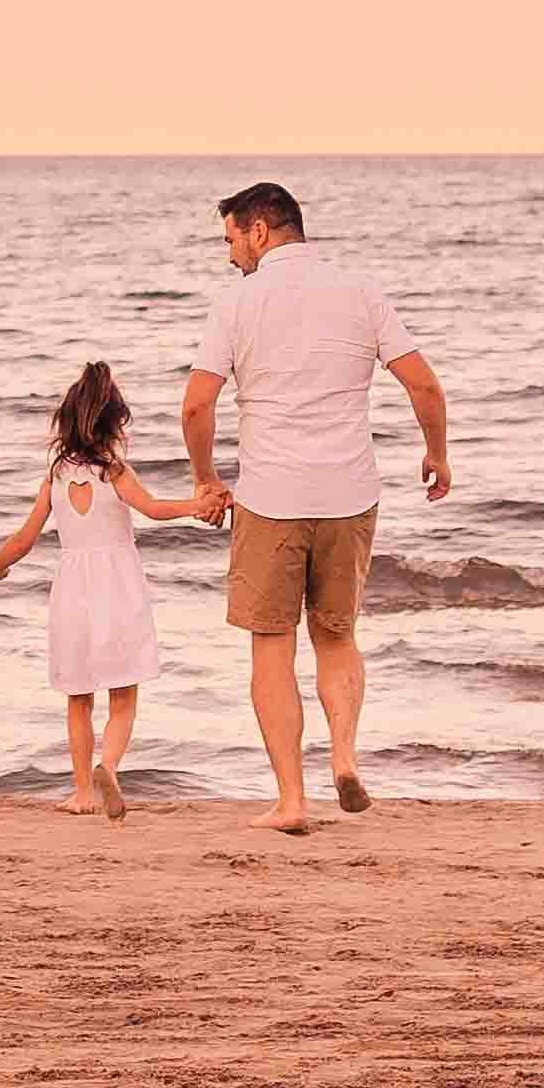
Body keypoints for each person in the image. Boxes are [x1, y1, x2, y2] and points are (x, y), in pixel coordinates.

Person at [179, 179, 450, 834]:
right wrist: (437, 455)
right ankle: (347, 756)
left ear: (261, 231)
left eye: (231, 239)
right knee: (337, 637)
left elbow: (196, 404)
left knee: (271, 648)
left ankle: (293, 801)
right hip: (349, 494)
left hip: (272, 498)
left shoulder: (237, 303)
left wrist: (207, 479)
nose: (229, 255)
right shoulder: (361, 291)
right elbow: (423, 383)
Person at [0, 358, 223, 818]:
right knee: (123, 696)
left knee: (78, 697)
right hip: (118, 588)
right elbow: (152, 510)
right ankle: (107, 765)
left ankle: (83, 794)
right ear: (115, 423)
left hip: (72, 591)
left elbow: (25, 538)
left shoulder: (55, 475)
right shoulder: (115, 471)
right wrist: (197, 504)